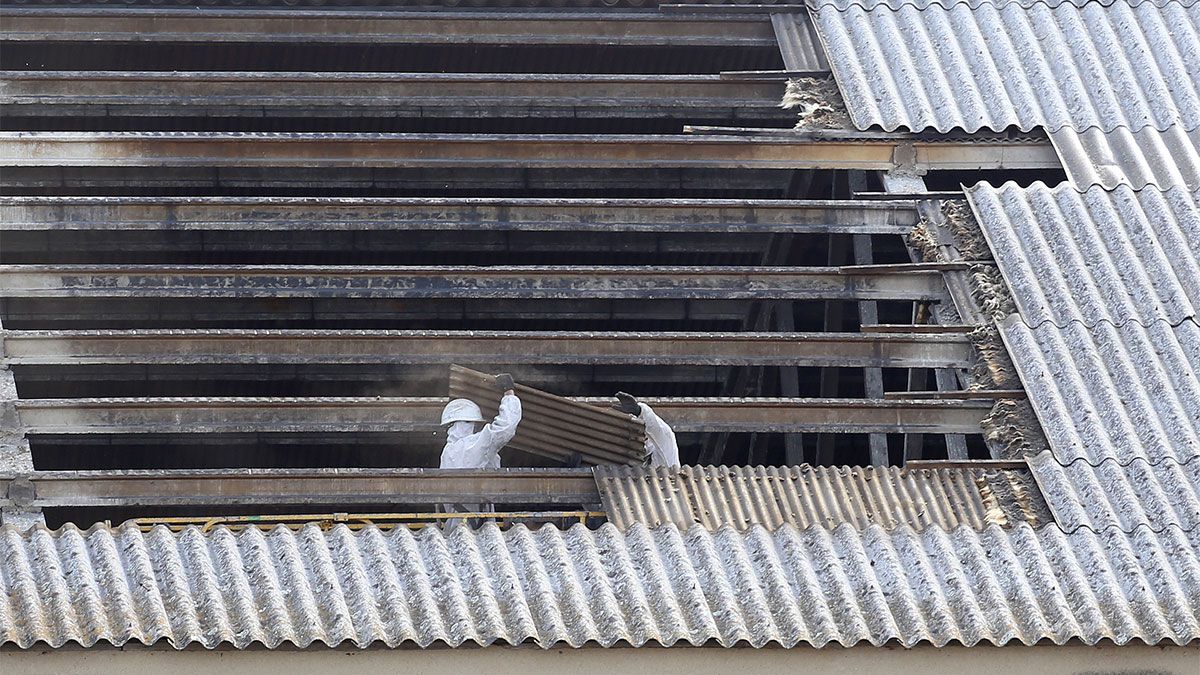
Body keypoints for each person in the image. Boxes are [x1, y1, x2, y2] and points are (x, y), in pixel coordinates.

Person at [438, 373, 521, 470]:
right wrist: (508, 392)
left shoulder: (447, 452)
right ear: (467, 422)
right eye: (475, 424)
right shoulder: (474, 444)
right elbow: (505, 427)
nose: (477, 428)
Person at [614, 391, 680, 469]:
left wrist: (639, 411)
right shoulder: (623, 460)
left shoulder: (663, 453)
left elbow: (661, 431)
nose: (637, 438)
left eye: (640, 434)